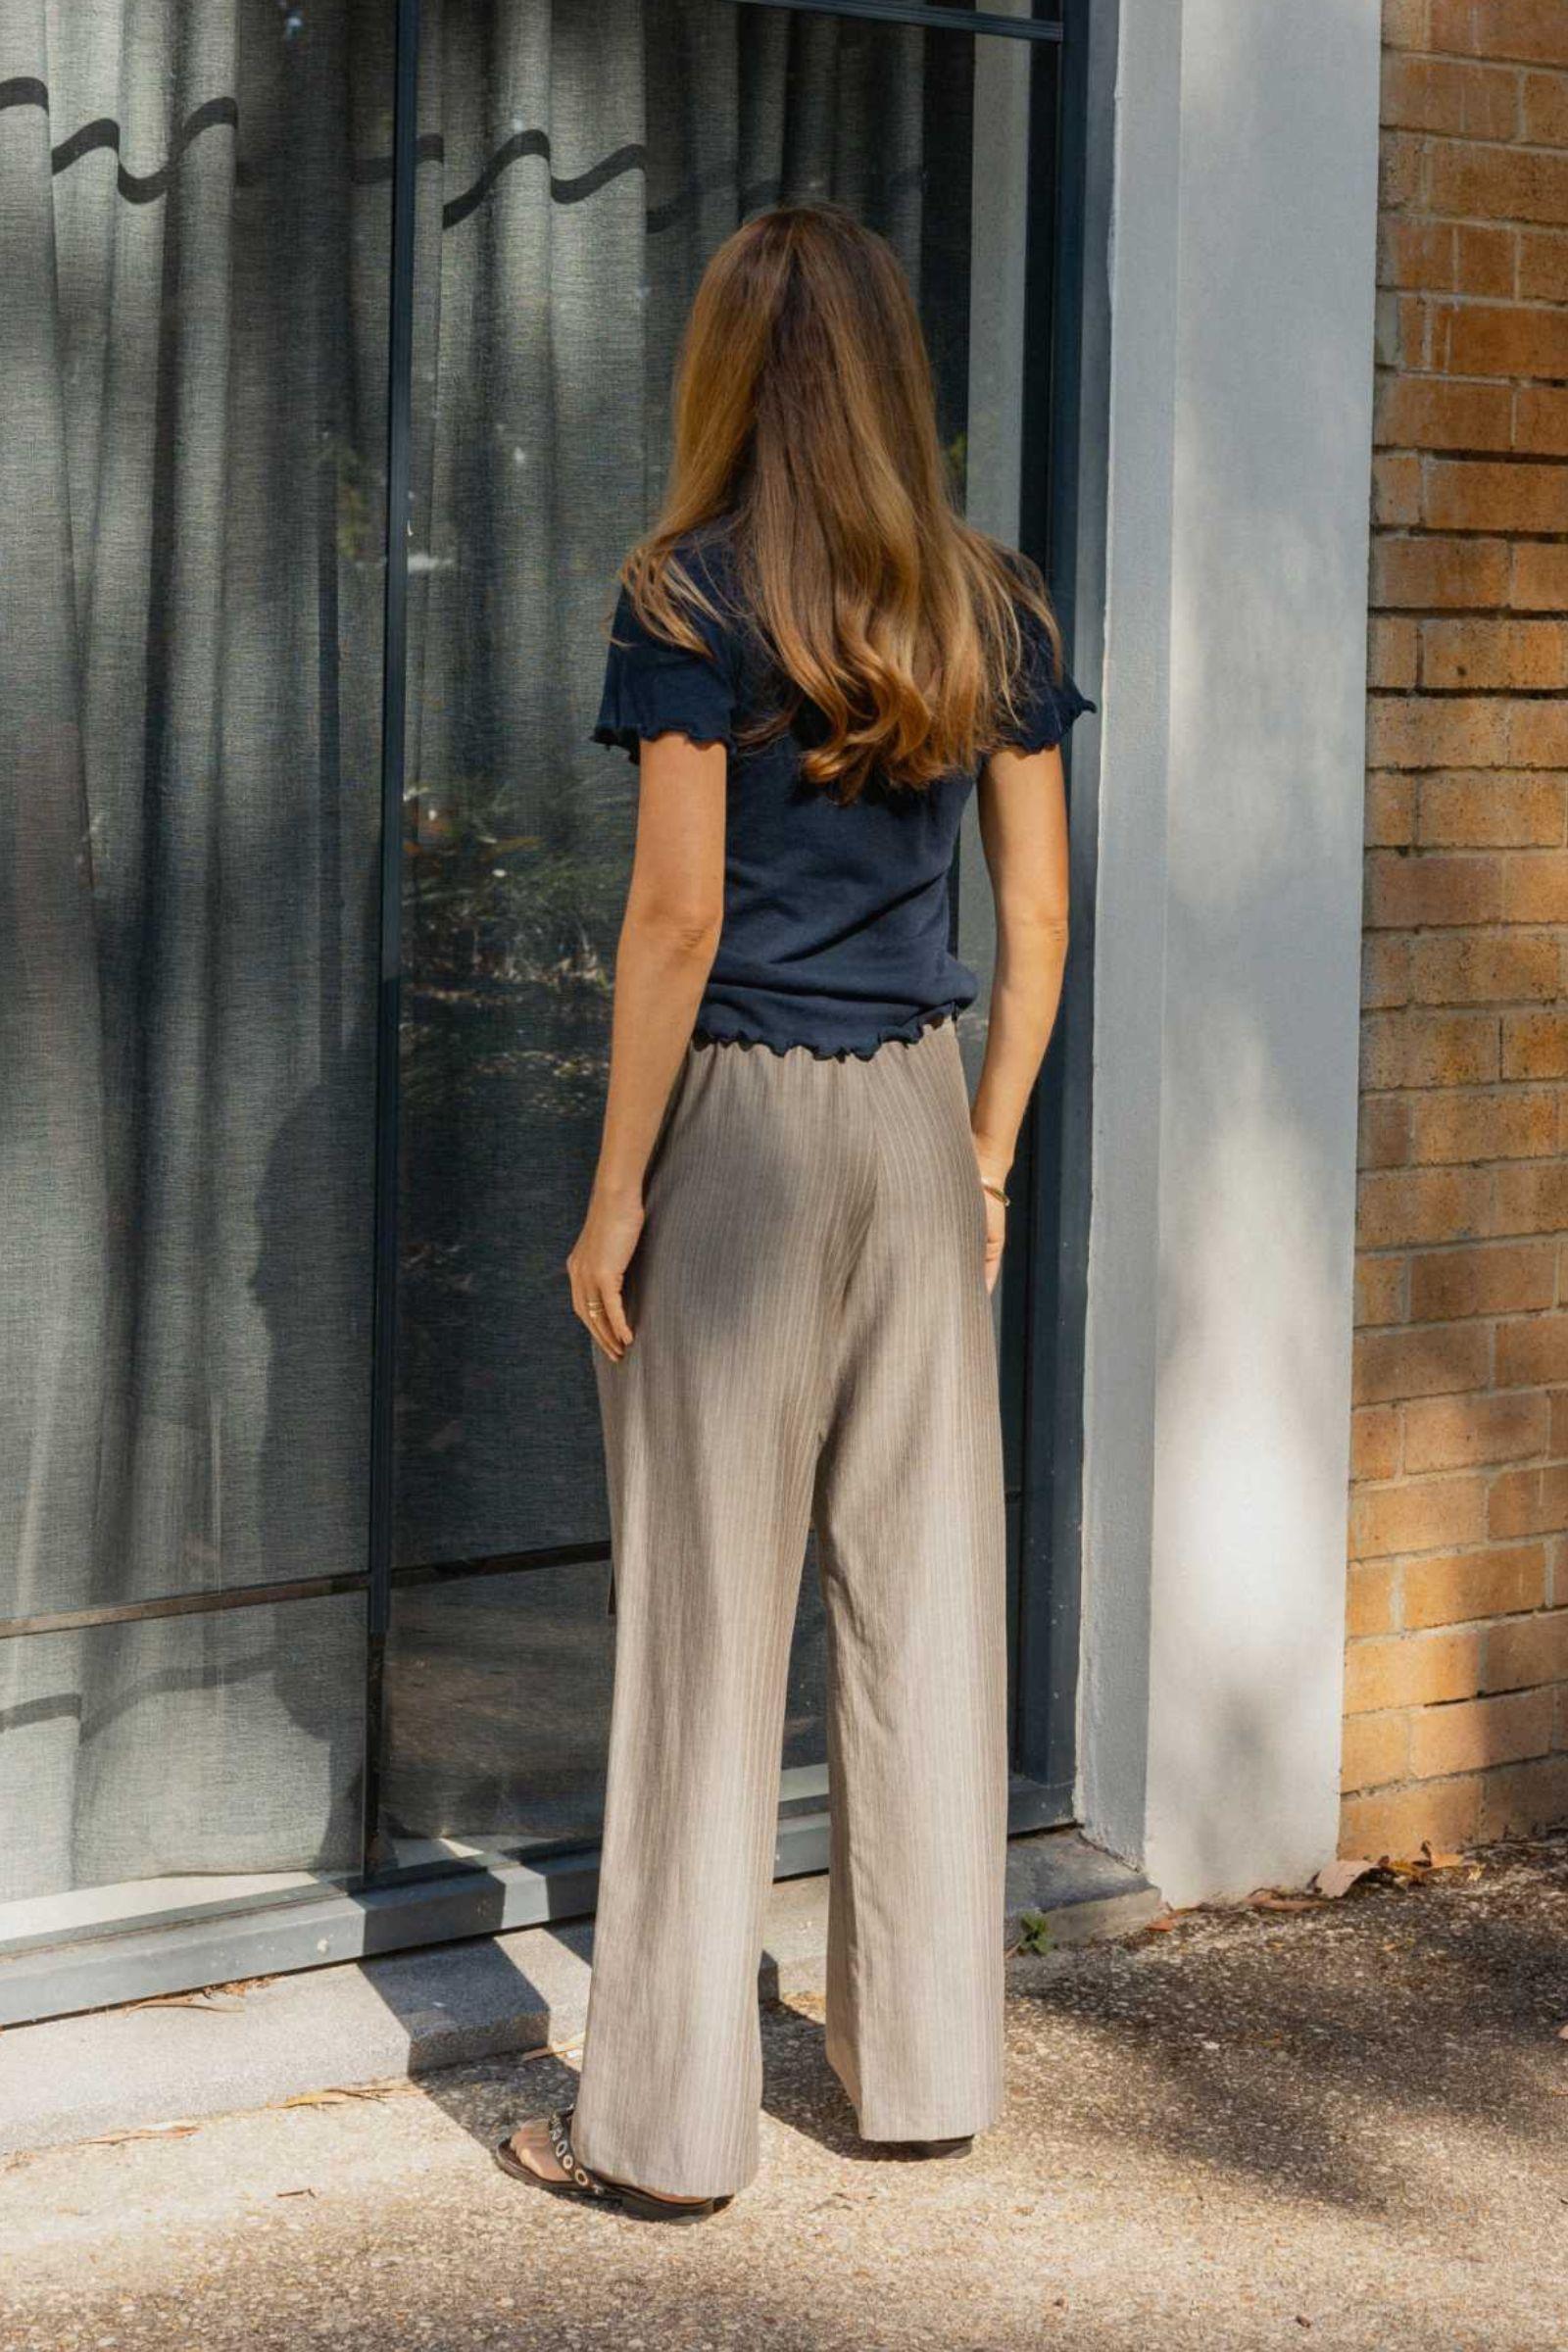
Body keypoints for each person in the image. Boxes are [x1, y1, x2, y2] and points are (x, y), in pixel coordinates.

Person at [496, 200, 1094, 2223]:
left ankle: (662, 2135)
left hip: (739, 1137)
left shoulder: (683, 598)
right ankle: (916, 2075)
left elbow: (671, 917)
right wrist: (987, 1150)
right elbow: (1033, 916)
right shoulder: (985, 603)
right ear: (896, 381)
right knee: (919, 1599)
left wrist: (611, 1191)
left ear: (725, 372)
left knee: (702, 1627)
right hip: (920, 1131)